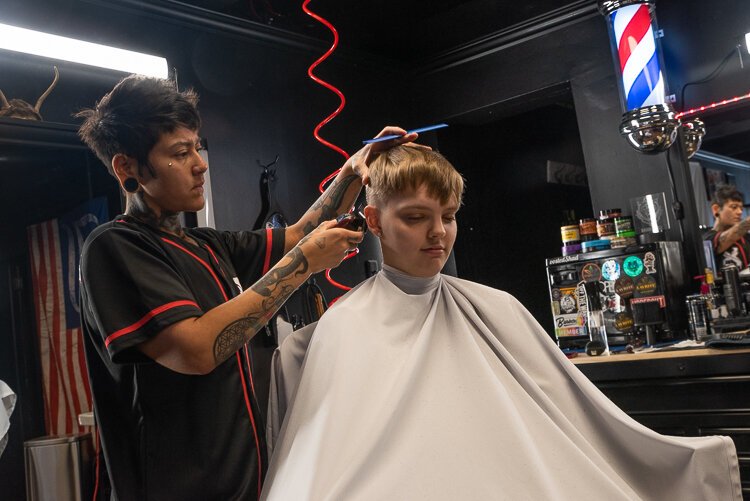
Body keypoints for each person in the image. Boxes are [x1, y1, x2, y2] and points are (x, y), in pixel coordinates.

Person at [262, 146, 741, 500]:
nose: (437, 233)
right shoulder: (341, 330)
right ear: (373, 220)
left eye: (448, 216)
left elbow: (579, 427)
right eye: (415, 217)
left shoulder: (497, 308)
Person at [76, 74, 417, 500]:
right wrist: (304, 264)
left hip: (245, 485)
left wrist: (353, 168)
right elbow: (197, 349)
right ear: (127, 167)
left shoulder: (205, 244)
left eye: (197, 147)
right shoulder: (114, 247)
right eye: (180, 153)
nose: (200, 163)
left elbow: (301, 231)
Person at [704, 184, 750, 271]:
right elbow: (727, 238)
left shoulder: (747, 238)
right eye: (734, 207)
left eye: (741, 208)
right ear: (716, 209)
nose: (740, 212)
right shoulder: (708, 239)